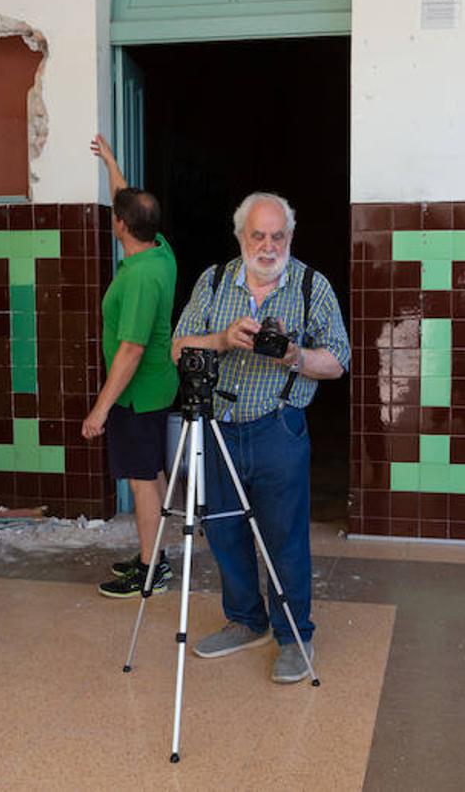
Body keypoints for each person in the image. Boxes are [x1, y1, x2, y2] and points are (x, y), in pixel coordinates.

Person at [170, 191, 349, 683]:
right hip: (218, 426)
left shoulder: (312, 286)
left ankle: (294, 635)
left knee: (284, 537)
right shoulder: (213, 282)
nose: (268, 246)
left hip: (279, 425)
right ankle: (247, 620)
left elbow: (337, 360)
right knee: (224, 529)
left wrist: (293, 355)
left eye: (278, 236)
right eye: (259, 236)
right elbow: (177, 347)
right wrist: (223, 340)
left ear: (289, 237)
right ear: (241, 236)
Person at [86, 135, 179, 598]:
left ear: (121, 226)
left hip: (137, 393)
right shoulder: (159, 249)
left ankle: (151, 571)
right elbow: (128, 204)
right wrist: (111, 164)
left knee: (143, 481)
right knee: (153, 472)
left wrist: (100, 410)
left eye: (116, 217)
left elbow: (131, 351)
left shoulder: (142, 277)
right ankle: (154, 552)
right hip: (157, 388)